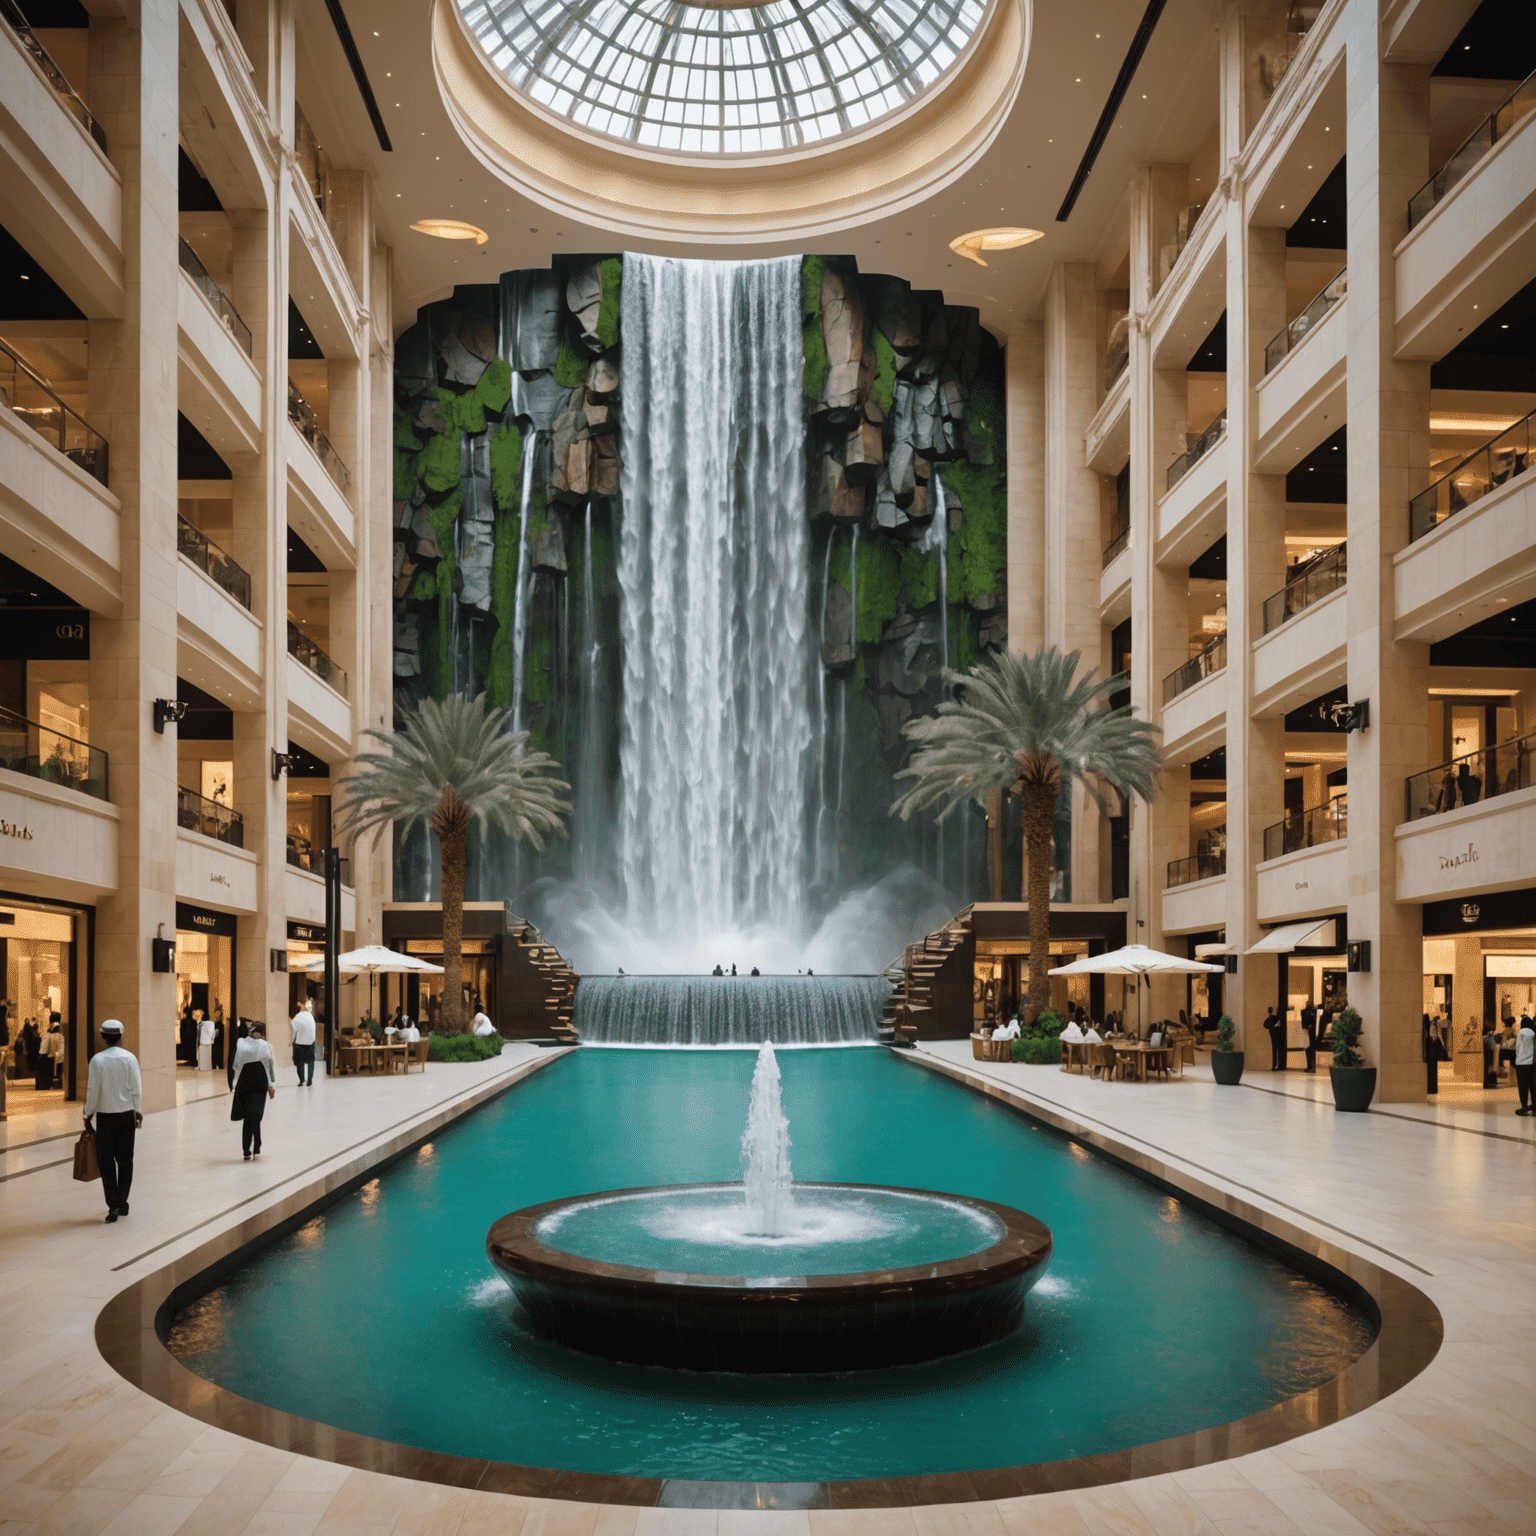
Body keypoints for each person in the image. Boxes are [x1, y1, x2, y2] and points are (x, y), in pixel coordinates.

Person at [84, 1019, 142, 1222]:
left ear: (103, 1037)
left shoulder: (97, 1061)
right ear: (120, 1035)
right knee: (126, 1161)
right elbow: (137, 1088)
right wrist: (138, 1110)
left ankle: (113, 1206)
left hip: (105, 1119)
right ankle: (123, 1201)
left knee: (106, 1163)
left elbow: (92, 1090)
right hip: (126, 1116)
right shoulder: (130, 1059)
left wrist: (87, 1113)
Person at [228, 1023, 276, 1159]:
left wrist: (233, 1083)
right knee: (255, 1115)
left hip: (245, 1083)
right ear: (261, 1033)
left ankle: (246, 1149)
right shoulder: (264, 1045)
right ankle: (257, 1143)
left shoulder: (241, 1044)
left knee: (248, 1117)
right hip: (259, 1084)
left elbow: (235, 1065)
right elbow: (268, 1067)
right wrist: (271, 1084)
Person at [290, 997, 317, 1086]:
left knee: (300, 1063)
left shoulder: (297, 1017)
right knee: (310, 1062)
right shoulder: (311, 1017)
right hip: (310, 1043)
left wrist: (292, 1040)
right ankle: (309, 1080)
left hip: (299, 1043)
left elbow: (293, 1029)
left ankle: (301, 1080)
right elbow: (313, 1031)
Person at [1517, 1014, 1536, 1116]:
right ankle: (1534, 1107)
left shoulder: (1520, 1032)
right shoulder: (1533, 1033)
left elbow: (1518, 1047)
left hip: (1521, 1063)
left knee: (1523, 1087)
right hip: (1532, 1063)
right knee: (1533, 1086)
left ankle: (1524, 1107)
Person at [1263, 1005, 1285, 1071]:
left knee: (1274, 1049)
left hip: (1273, 1034)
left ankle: (1274, 1065)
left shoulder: (1269, 1018)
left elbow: (1265, 1025)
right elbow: (1279, 1025)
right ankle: (1276, 1065)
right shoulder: (1275, 1018)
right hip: (1277, 1034)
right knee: (1277, 1049)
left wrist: (1271, 1028)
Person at [1300, 1000, 1319, 1074]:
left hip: (1309, 1032)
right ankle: (1311, 1066)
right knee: (1310, 1049)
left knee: (1308, 1050)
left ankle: (1310, 1066)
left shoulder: (1305, 1012)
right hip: (1310, 1032)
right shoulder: (1311, 1012)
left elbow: (1303, 1024)